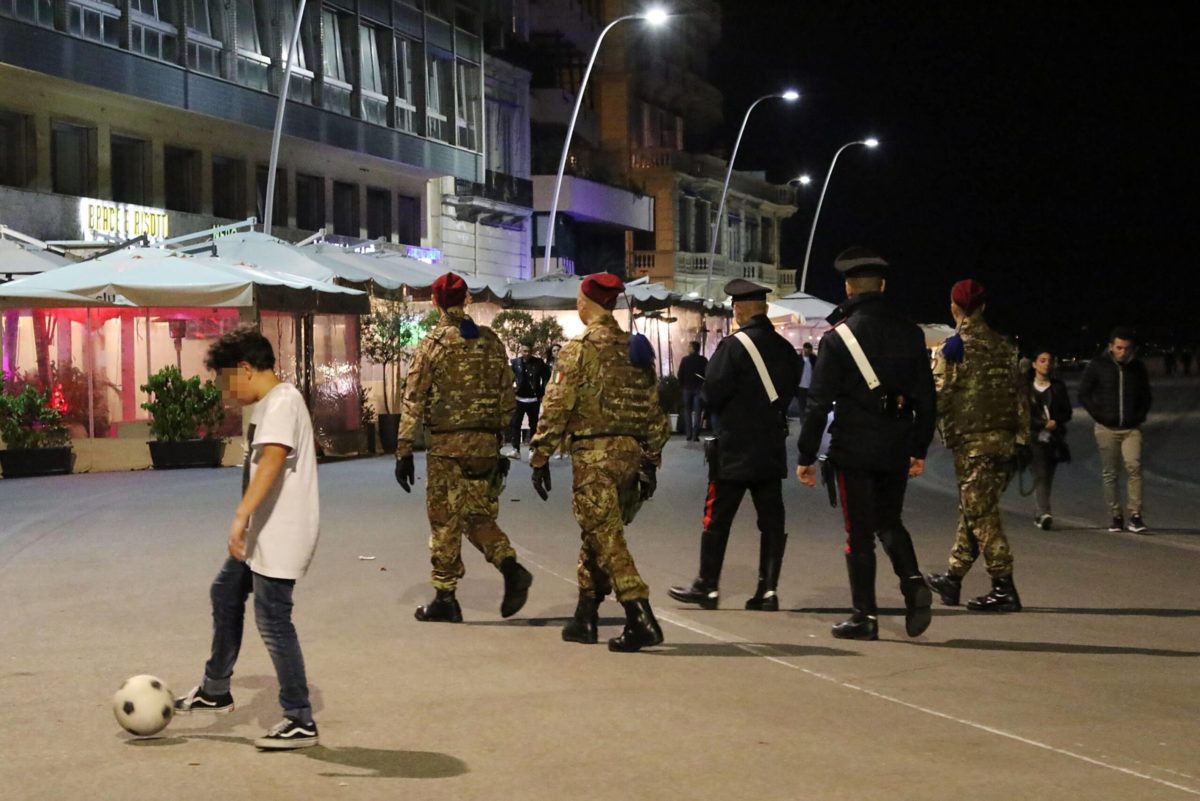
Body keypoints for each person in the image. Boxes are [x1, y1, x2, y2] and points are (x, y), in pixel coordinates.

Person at [173, 327, 321, 750]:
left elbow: (273, 459)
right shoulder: (269, 405)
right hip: (262, 533)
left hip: (281, 533)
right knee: (225, 592)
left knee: (274, 620)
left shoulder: (282, 402)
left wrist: (240, 517)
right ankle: (215, 690)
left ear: (245, 369)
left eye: (225, 381)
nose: (224, 392)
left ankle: (299, 718)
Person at [795, 248, 936, 640]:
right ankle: (911, 582)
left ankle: (865, 616)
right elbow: (927, 398)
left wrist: (806, 454)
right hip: (896, 444)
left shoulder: (838, 338)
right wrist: (919, 448)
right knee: (890, 521)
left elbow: (818, 403)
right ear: (883, 286)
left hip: (854, 447)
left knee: (858, 533)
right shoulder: (911, 332)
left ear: (848, 287)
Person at [528, 273, 670, 652]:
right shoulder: (635, 348)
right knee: (598, 531)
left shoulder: (579, 349)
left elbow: (556, 405)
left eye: (578, 299)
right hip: (632, 455)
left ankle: (640, 614)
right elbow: (655, 414)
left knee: (606, 536)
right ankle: (585, 616)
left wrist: (540, 454)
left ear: (587, 304)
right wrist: (650, 460)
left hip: (595, 458)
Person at [395, 273, 534, 622]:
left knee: (444, 520)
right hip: (485, 446)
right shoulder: (491, 341)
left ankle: (445, 596)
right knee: (476, 515)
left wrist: (404, 450)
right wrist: (499, 439)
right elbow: (508, 398)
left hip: (447, 447)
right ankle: (510, 565)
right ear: (466, 300)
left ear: (437, 302)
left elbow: (413, 399)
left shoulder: (433, 344)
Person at [669, 278, 799, 612]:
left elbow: (711, 394)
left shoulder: (732, 346)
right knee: (772, 520)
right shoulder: (785, 349)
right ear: (765, 309)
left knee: (717, 518)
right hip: (770, 446)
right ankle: (768, 591)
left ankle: (707, 586)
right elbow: (788, 393)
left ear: (738, 310)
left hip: (734, 448)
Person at [926, 279, 1030, 613]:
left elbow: (938, 398)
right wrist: (1023, 440)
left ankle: (1004, 588)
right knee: (974, 510)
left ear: (954, 308)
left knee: (982, 515)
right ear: (983, 307)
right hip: (1005, 443)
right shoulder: (1006, 346)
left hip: (972, 447)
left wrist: (917, 440)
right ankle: (953, 578)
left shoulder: (953, 349)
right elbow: (1021, 396)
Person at [1078, 327, 1152, 533]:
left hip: (1131, 428)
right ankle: (1116, 515)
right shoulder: (1098, 365)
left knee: (1134, 467)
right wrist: (1099, 415)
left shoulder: (1137, 367)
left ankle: (1135, 516)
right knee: (1110, 473)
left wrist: (1139, 416)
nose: (1123, 352)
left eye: (1127, 348)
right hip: (1106, 428)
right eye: (1118, 348)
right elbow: (1083, 393)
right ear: (1111, 347)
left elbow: (1146, 396)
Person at [1027, 350, 1073, 530]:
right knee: (1040, 473)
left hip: (1054, 439)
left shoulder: (1057, 387)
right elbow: (1021, 413)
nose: (1046, 364)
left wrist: (1056, 421)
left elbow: (1067, 412)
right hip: (1033, 437)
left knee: (1048, 475)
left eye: (1049, 361)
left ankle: (1039, 512)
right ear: (1034, 364)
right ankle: (1045, 512)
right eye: (1042, 360)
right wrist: (1038, 424)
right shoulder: (1026, 387)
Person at [507, 340, 548, 459]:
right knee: (516, 424)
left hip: (533, 399)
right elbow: (510, 379)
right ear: (521, 351)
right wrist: (511, 392)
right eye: (524, 351)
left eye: (529, 351)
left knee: (534, 425)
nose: (527, 353)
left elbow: (546, 377)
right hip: (519, 398)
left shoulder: (539, 363)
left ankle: (533, 449)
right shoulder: (515, 363)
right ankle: (515, 449)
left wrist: (542, 393)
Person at [678, 340, 708, 441]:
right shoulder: (703, 360)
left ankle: (688, 434)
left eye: (689, 346)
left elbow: (680, 374)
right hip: (698, 388)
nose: (688, 348)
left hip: (687, 388)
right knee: (698, 412)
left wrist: (682, 385)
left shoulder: (685, 360)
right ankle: (695, 435)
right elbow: (707, 374)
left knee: (687, 411)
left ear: (692, 348)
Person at [796, 342, 816, 416]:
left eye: (809, 350)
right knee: (802, 407)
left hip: (811, 387)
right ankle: (803, 422)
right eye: (806, 350)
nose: (807, 352)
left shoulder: (814, 359)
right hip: (801, 387)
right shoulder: (798, 359)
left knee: (810, 407)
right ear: (803, 349)